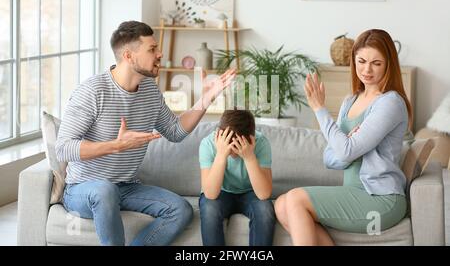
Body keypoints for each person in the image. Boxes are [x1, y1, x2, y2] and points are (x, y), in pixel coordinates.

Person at [55, 21, 236, 246]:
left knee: (179, 209)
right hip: (83, 189)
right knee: (105, 190)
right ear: (129, 56)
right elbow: (63, 148)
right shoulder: (92, 91)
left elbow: (175, 131)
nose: (160, 54)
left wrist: (206, 99)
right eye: (152, 49)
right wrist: (116, 145)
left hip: (126, 186)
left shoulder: (150, 90)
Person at [274, 29, 413, 246]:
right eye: (362, 61)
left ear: (388, 64)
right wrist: (349, 147)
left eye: (376, 63)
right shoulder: (350, 101)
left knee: (294, 199)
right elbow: (330, 158)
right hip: (353, 192)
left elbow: (344, 150)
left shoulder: (390, 102)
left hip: (381, 200)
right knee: (281, 204)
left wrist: (320, 110)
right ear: (353, 60)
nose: (367, 69)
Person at [198, 110, 275, 246]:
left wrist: (249, 157)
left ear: (251, 139)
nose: (233, 152)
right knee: (209, 209)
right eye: (229, 145)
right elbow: (210, 194)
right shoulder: (208, 144)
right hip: (220, 192)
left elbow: (264, 194)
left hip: (251, 193)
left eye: (237, 146)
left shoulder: (261, 143)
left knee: (264, 209)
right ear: (220, 135)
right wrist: (221, 155)